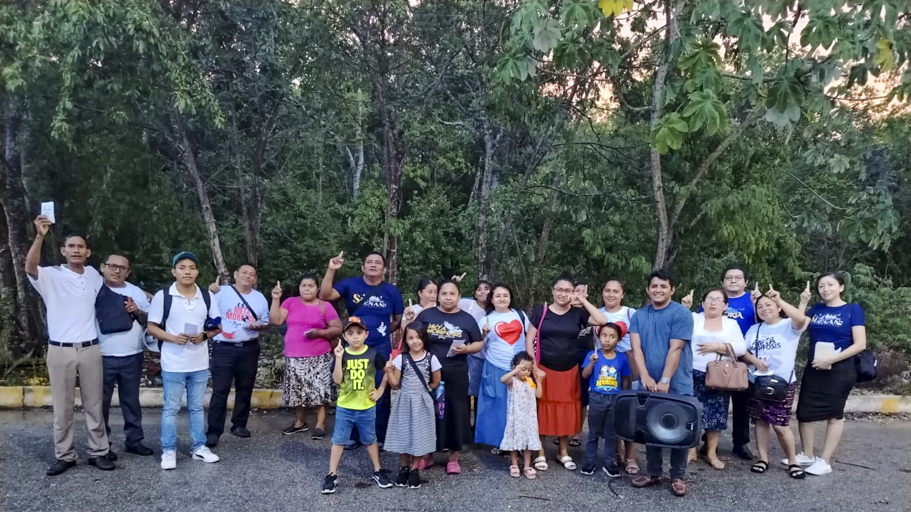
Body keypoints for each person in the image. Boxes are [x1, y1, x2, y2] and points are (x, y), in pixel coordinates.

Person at [25, 216, 114, 475]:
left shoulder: (94, 276)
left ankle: (98, 452)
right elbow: (30, 267)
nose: (76, 250)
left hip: (90, 348)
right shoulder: (51, 275)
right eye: (71, 246)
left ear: (88, 252)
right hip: (60, 349)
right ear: (63, 251)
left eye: (80, 247)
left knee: (94, 404)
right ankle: (65, 455)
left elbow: (118, 286)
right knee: (62, 406)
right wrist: (40, 236)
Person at [147, 251, 222, 470]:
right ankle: (168, 450)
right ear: (174, 271)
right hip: (173, 363)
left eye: (191, 267)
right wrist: (172, 338)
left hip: (199, 363)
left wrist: (205, 335)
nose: (187, 271)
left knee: (197, 408)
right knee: (171, 408)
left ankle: (199, 447)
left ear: (197, 272)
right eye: (182, 267)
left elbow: (218, 326)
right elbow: (151, 327)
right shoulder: (164, 296)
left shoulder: (207, 296)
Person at [320, 251, 403, 448]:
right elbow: (324, 295)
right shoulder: (351, 284)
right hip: (353, 347)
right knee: (353, 387)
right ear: (362, 267)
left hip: (380, 348)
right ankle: (353, 436)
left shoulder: (392, 291)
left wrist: (378, 333)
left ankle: (379, 436)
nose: (373, 265)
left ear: (384, 269)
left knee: (379, 390)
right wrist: (331, 269)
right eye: (369, 262)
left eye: (378, 263)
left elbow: (397, 321)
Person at [526, 273, 607, 472]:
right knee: (542, 409)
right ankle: (541, 452)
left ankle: (563, 451)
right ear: (552, 290)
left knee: (566, 409)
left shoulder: (577, 313)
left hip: (570, 369)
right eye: (559, 289)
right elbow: (529, 340)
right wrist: (534, 367)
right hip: (544, 369)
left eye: (568, 290)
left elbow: (601, 320)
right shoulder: (541, 311)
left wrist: (582, 300)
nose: (563, 294)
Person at [629, 269, 695, 497]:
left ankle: (678, 476)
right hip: (647, 383)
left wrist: (665, 379)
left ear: (672, 289)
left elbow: (676, 348)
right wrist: (644, 376)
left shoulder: (681, 314)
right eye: (654, 286)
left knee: (680, 430)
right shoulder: (638, 315)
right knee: (651, 426)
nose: (658, 290)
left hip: (678, 383)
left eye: (663, 286)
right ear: (648, 289)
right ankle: (653, 472)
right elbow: (636, 348)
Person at [794, 272, 867, 477]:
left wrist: (831, 360)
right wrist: (802, 303)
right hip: (815, 365)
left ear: (841, 287)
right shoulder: (816, 309)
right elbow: (798, 326)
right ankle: (807, 454)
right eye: (821, 286)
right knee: (804, 411)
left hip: (841, 368)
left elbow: (860, 344)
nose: (825, 289)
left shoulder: (853, 309)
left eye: (830, 285)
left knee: (834, 414)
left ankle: (824, 460)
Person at [741, 284, 811, 479]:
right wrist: (753, 360)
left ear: (778, 307)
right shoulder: (755, 329)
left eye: (769, 305)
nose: (764, 309)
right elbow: (743, 351)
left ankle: (793, 461)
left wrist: (779, 299)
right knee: (760, 421)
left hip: (782, 383)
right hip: (757, 382)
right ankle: (763, 458)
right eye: (760, 306)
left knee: (780, 425)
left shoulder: (789, 326)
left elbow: (801, 318)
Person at [415, 279, 483, 474]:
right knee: (429, 411)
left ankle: (453, 457)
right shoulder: (427, 315)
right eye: (443, 293)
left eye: (452, 294)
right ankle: (427, 456)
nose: (447, 297)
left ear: (459, 297)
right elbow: (412, 336)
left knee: (456, 412)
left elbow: (478, 343)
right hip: (428, 372)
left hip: (457, 371)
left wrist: (467, 348)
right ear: (438, 296)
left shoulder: (467, 319)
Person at [321, 317, 392, 494]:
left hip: (366, 406)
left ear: (366, 334)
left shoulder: (373, 353)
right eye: (350, 333)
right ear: (344, 336)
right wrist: (338, 358)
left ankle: (377, 470)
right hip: (345, 406)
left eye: (359, 333)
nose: (355, 337)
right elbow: (337, 380)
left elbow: (386, 371)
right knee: (338, 440)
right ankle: (332, 474)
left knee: (370, 439)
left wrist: (381, 390)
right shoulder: (342, 353)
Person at [204, 265, 270, 447]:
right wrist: (209, 291)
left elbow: (265, 321)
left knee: (245, 388)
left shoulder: (259, 298)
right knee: (220, 390)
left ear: (255, 279)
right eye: (244, 273)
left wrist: (260, 326)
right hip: (223, 348)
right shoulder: (221, 292)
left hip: (249, 347)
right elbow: (205, 311)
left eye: (252, 274)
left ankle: (239, 424)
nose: (247, 276)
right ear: (235, 275)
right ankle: (213, 430)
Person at [270, 275, 342, 440]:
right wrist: (276, 299)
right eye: (304, 285)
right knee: (298, 391)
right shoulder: (290, 302)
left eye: (311, 286)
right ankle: (299, 422)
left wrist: (319, 333)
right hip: (294, 356)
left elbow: (338, 328)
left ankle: (320, 425)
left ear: (317, 289)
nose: (307, 289)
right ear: (299, 288)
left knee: (320, 391)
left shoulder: (325, 305)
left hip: (320, 356)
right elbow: (276, 320)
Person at [96, 254, 154, 459]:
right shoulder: (94, 289)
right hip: (102, 356)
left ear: (128, 272)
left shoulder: (135, 291)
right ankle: (102, 445)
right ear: (103, 267)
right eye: (112, 266)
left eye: (122, 268)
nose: (117, 270)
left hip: (133, 355)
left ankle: (134, 441)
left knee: (131, 401)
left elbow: (150, 319)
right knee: (100, 403)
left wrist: (138, 311)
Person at [688, 289, 747, 470]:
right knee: (690, 412)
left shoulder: (730, 324)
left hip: (719, 375)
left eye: (718, 300)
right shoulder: (693, 318)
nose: (713, 303)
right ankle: (691, 449)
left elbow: (741, 348)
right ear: (703, 302)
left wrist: (718, 346)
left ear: (725, 305)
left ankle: (712, 452)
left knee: (716, 415)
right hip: (691, 371)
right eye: (709, 299)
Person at [384, 322, 441, 489]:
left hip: (422, 402)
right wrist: (388, 371)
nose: (415, 341)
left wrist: (425, 391)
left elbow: (436, 381)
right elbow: (395, 384)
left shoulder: (432, 358)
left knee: (419, 435)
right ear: (405, 340)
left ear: (424, 338)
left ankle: (415, 468)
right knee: (404, 435)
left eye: (418, 337)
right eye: (410, 338)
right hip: (404, 401)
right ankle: (404, 468)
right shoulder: (402, 358)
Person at [474, 283, 528, 449]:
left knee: (519, 405)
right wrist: (483, 335)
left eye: (505, 295)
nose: (502, 299)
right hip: (495, 366)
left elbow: (529, 339)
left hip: (519, 368)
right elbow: (478, 346)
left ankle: (518, 442)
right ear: (492, 299)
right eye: (498, 296)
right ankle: (499, 443)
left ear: (510, 298)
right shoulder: (485, 319)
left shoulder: (521, 315)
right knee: (496, 406)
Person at [580, 322, 631, 477]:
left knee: (611, 434)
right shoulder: (592, 355)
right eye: (604, 336)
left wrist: (625, 399)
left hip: (615, 399)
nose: (607, 340)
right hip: (597, 398)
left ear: (618, 340)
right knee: (593, 432)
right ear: (598, 337)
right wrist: (592, 363)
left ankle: (609, 463)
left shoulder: (622, 358)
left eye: (612, 337)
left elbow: (626, 380)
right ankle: (590, 461)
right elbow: (585, 375)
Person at [599, 278, 639, 474]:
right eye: (607, 290)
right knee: (610, 411)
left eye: (616, 291)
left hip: (627, 365)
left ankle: (631, 456)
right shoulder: (596, 314)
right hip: (606, 368)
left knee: (630, 412)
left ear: (622, 294)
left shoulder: (631, 314)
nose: (611, 294)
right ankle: (615, 452)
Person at [499, 352, 543, 480]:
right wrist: (515, 372)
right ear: (515, 368)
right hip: (515, 418)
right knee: (514, 441)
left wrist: (538, 381)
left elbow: (538, 395)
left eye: (528, 369)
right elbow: (503, 379)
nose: (526, 372)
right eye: (523, 369)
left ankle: (527, 466)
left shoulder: (530, 382)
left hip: (529, 418)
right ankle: (514, 464)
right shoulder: (512, 381)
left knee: (527, 443)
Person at [457, 279, 491, 400]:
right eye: (479, 289)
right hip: (473, 356)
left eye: (486, 289)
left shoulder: (496, 309)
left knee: (484, 393)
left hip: (491, 357)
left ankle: (479, 419)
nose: (483, 292)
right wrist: (455, 283)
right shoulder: (467, 304)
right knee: (469, 390)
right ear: (475, 293)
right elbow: (449, 300)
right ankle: (465, 418)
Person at [399, 278, 437, 356]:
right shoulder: (411, 309)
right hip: (415, 351)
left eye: (436, 292)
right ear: (420, 293)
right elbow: (404, 330)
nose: (433, 296)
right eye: (430, 292)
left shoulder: (440, 309)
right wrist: (424, 309)